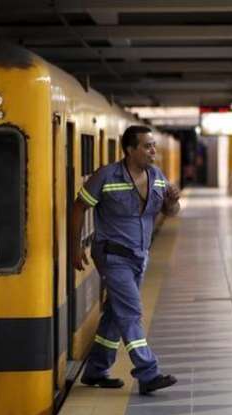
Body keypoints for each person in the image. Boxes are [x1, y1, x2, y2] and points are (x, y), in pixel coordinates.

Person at [71, 125, 181, 395]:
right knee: (131, 312)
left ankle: (96, 369)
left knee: (114, 314)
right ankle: (148, 372)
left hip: (139, 256)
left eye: (154, 145)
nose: (153, 151)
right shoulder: (106, 176)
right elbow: (78, 208)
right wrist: (74, 247)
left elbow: (172, 211)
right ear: (130, 150)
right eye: (146, 146)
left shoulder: (157, 177)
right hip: (112, 254)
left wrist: (172, 202)